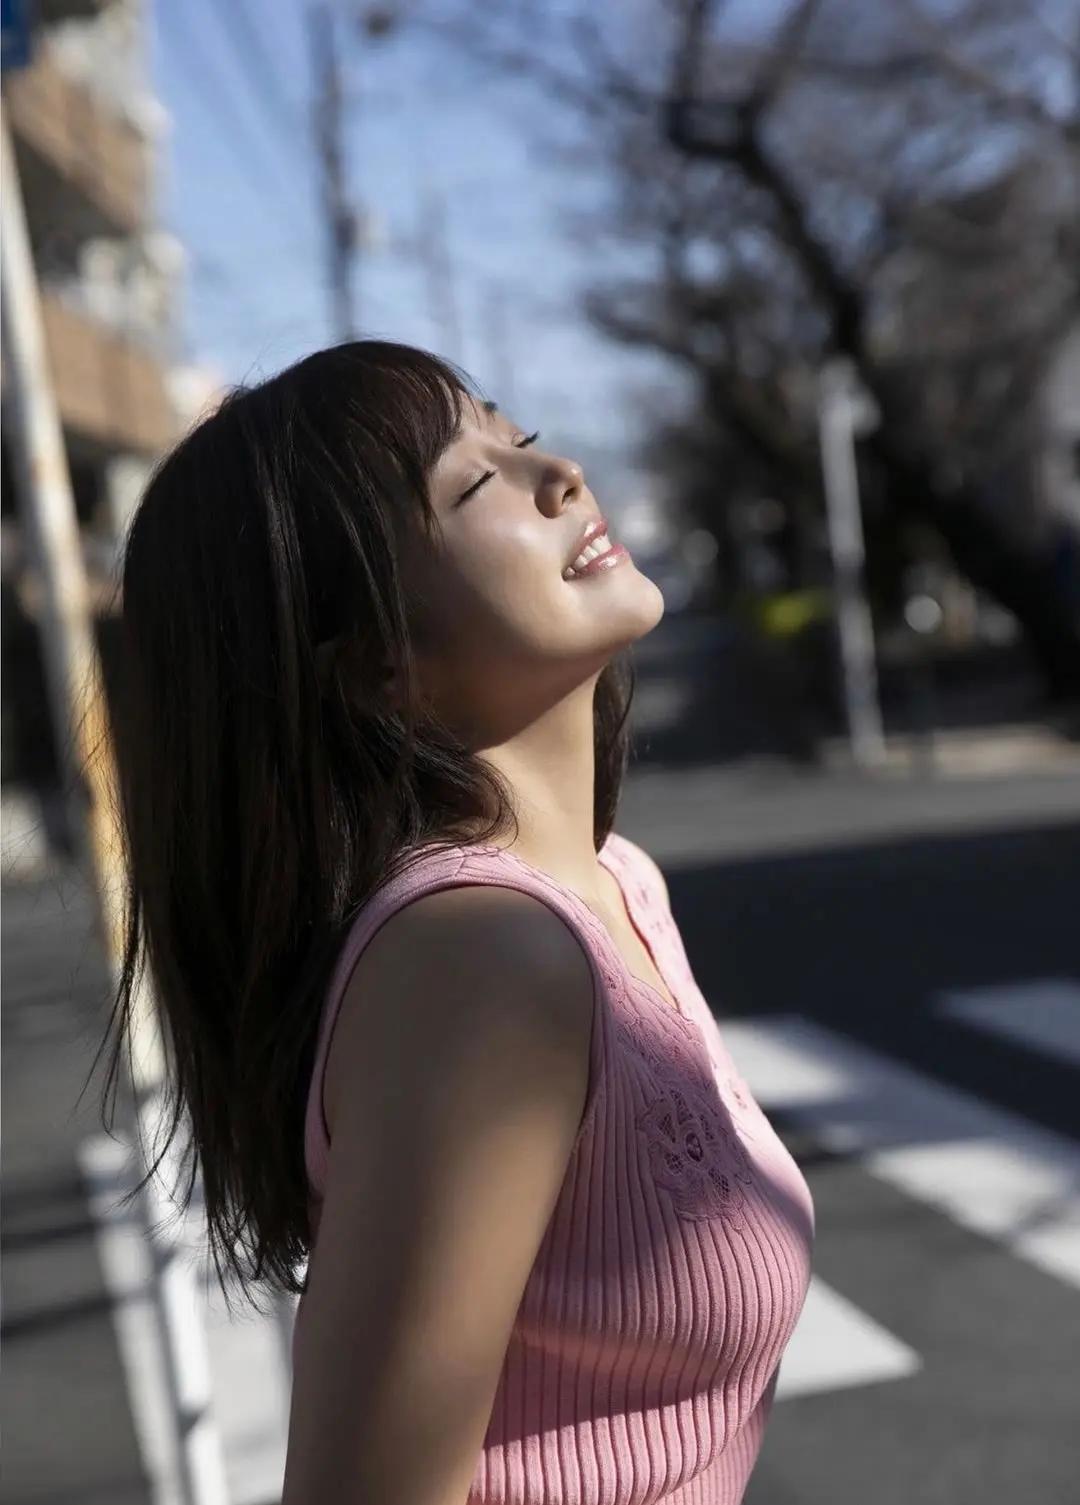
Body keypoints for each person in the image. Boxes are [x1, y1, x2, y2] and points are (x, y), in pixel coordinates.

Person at [95, 340, 815, 1504]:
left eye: (518, 439)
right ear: (379, 666)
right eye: (478, 482)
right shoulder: (483, 960)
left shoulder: (616, 883)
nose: (561, 475)